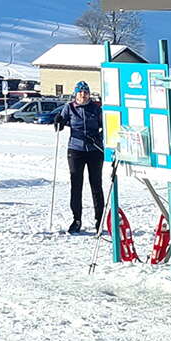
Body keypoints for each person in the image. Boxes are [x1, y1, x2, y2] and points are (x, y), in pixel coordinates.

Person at [52, 81, 106, 234]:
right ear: (76, 94)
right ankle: (76, 220)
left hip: (94, 150)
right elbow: (60, 123)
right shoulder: (69, 107)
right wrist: (59, 122)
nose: (83, 95)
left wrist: (97, 138)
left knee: (96, 185)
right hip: (76, 150)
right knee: (76, 185)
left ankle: (99, 220)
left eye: (86, 92)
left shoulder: (96, 108)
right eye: (80, 92)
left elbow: (107, 127)